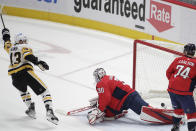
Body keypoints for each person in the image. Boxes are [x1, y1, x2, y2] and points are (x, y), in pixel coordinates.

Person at [1, 28, 59, 125]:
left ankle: (30, 108)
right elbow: (28, 55)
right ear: (19, 41)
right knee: (45, 91)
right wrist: (38, 62)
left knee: (23, 91)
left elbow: (6, 42)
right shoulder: (24, 47)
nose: (24, 42)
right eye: (22, 40)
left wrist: (5, 33)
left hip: (14, 76)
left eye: (24, 40)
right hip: (25, 72)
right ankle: (49, 112)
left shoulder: (10, 48)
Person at [166, 43, 196, 131]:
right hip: (184, 93)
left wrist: (174, 83)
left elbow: (168, 72)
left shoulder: (177, 59)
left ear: (185, 51)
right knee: (192, 114)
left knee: (178, 110)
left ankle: (175, 127)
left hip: (171, 90)